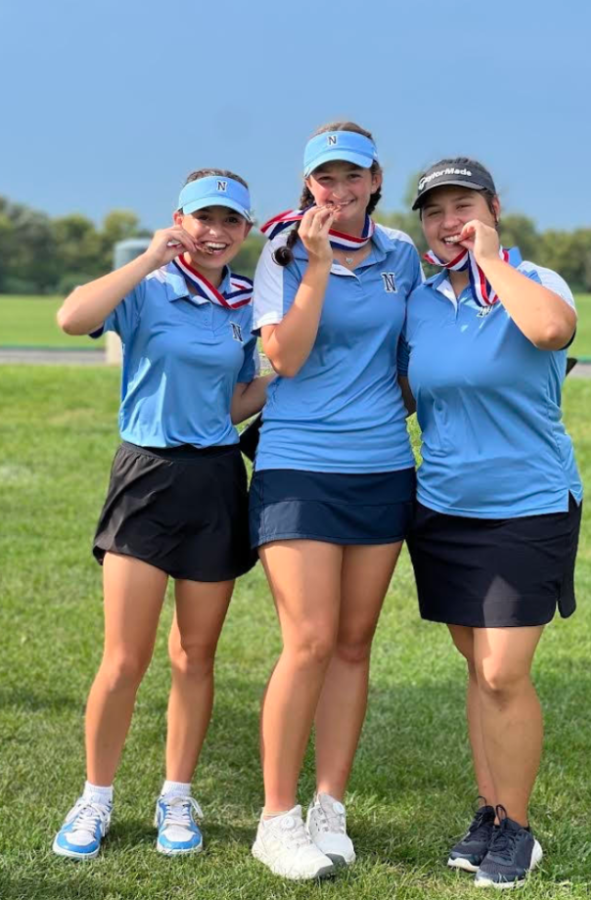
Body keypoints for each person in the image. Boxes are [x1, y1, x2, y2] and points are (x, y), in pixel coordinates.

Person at [52, 169, 270, 859]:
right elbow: (73, 318)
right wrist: (148, 257)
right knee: (125, 657)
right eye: (203, 218)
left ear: (245, 232)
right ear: (180, 218)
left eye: (228, 222)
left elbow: (229, 404)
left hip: (213, 481)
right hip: (145, 475)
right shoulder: (148, 288)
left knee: (195, 656)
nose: (214, 232)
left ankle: (176, 795)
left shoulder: (244, 303)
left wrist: (280, 379)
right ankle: (95, 797)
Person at [399, 158, 583, 888]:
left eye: (463, 205)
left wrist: (488, 261)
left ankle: (520, 830)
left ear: (494, 207)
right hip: (443, 508)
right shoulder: (420, 301)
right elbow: (405, 390)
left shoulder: (535, 279)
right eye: (436, 211)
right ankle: (492, 814)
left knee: (506, 671)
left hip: (529, 504)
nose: (450, 221)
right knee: (479, 670)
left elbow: (551, 331)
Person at [248, 122, 424, 880]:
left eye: (353, 177)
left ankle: (329, 806)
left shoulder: (404, 257)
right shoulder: (281, 253)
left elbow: (411, 361)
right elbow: (282, 356)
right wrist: (316, 266)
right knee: (311, 640)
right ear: (309, 185)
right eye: (326, 179)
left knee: (354, 644)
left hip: (383, 468)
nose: (340, 191)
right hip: (298, 468)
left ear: (376, 179)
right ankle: (276, 820)